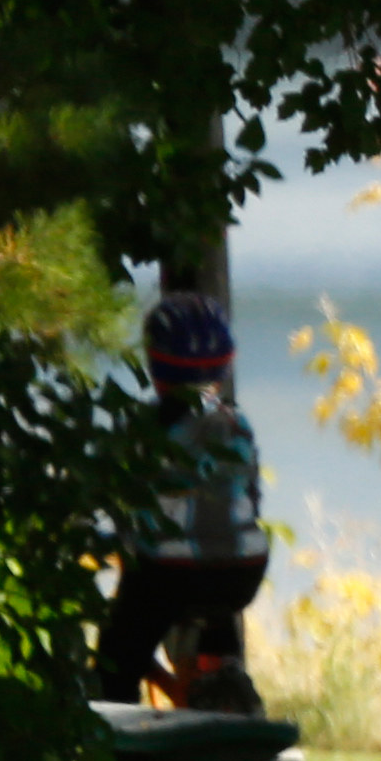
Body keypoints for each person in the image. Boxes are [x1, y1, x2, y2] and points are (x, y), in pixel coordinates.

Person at [97, 292, 271, 706]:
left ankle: (125, 751)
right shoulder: (236, 424)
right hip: (243, 566)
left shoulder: (141, 427)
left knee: (116, 658)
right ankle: (222, 679)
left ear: (156, 367)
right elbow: (252, 496)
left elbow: (122, 503)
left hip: (166, 570)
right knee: (216, 604)